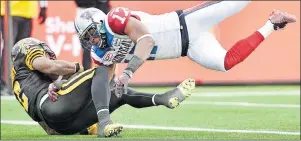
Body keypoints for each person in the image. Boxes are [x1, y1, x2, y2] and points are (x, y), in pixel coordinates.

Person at [73, 1, 297, 98]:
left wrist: (128, 74)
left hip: (187, 22)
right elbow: (102, 83)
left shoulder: (115, 20)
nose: (92, 41)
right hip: (188, 47)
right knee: (225, 63)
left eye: (92, 33)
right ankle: (273, 24)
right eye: (87, 38)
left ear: (101, 23)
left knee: (239, 2)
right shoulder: (100, 54)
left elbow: (147, 40)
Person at [10, 37, 195, 137]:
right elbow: (48, 66)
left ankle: (163, 98)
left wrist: (83, 127)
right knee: (99, 72)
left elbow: (48, 128)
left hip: (60, 124)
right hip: (54, 107)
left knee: (118, 92)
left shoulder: (20, 82)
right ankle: (105, 122)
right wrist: (76, 68)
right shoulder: (27, 50)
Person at [0, 1, 47, 95]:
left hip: (27, 11)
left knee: (23, 49)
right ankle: (3, 83)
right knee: (9, 48)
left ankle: (19, 83)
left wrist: (43, 6)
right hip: (9, 11)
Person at [74, 0, 111, 70]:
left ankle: (111, 76)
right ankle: (86, 74)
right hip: (84, 15)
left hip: (100, 14)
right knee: (87, 48)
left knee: (108, 46)